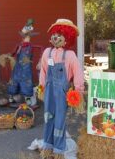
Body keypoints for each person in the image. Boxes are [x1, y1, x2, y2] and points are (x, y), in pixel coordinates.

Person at [39, 19, 84, 159]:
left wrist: (78, 91)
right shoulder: (47, 52)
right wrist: (41, 87)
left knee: (59, 120)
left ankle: (58, 150)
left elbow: (78, 74)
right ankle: (47, 147)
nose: (56, 37)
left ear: (67, 39)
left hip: (62, 94)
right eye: (55, 34)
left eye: (60, 34)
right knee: (48, 118)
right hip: (49, 91)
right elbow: (43, 71)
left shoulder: (70, 56)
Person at [5, 19, 42, 109]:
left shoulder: (32, 46)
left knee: (26, 83)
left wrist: (41, 61)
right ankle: (12, 98)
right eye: (24, 37)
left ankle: (28, 100)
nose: (25, 38)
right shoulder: (19, 46)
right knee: (14, 81)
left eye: (27, 37)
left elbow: (41, 48)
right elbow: (13, 52)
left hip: (26, 69)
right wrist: (8, 56)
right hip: (17, 68)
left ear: (30, 37)